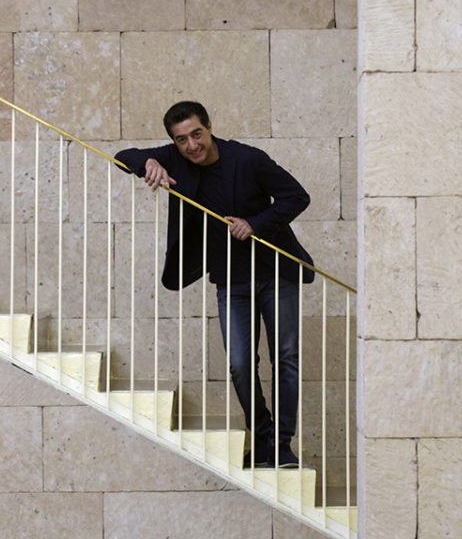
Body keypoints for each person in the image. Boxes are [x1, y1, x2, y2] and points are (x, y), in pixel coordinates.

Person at [115, 101, 314, 469]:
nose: (192, 145)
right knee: (240, 364)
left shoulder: (248, 159)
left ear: (209, 126)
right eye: (181, 140)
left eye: (197, 134)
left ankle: (282, 447)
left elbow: (297, 196)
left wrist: (255, 224)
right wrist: (149, 162)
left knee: (285, 358)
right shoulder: (174, 159)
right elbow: (123, 156)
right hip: (230, 281)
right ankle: (263, 438)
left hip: (275, 274)